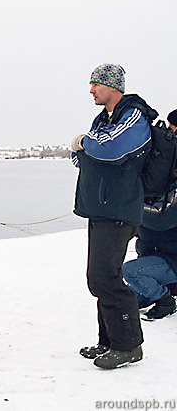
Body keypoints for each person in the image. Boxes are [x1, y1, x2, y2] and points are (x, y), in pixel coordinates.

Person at [71, 63, 158, 369]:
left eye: (96, 84)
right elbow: (83, 157)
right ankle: (108, 341)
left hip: (120, 209)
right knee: (98, 278)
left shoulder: (133, 116)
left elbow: (108, 149)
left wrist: (84, 142)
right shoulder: (104, 118)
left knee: (105, 276)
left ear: (113, 87)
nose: (91, 90)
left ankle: (128, 345)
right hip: (102, 209)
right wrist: (85, 147)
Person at [122, 188, 177, 320]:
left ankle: (166, 302)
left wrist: (128, 205)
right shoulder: (143, 195)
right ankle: (166, 290)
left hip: (171, 260)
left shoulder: (173, 193)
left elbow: (160, 220)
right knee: (128, 303)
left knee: (130, 271)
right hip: (153, 259)